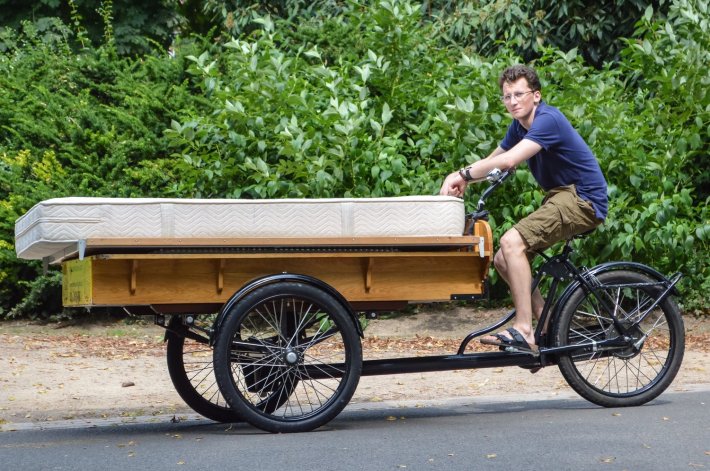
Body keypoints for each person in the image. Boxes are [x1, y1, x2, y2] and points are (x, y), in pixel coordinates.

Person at [439, 64, 608, 352]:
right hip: (561, 197)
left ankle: (525, 329)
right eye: (507, 96)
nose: (513, 101)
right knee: (503, 258)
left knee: (511, 241)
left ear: (536, 96)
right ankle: (545, 324)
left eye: (519, 94)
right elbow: (496, 157)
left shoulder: (547, 120)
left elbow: (508, 162)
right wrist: (465, 177)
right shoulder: (519, 127)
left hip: (582, 199)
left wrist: (462, 175)